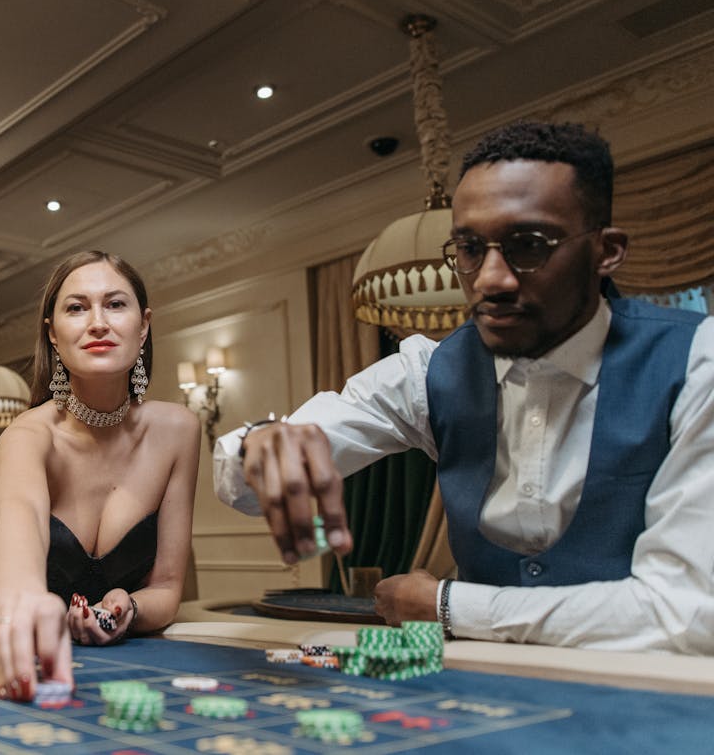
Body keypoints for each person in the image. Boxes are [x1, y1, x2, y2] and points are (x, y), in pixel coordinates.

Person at [213, 121, 714, 654]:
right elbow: (239, 485)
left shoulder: (696, 360)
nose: (491, 279)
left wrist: (449, 607)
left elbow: (686, 612)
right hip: (482, 694)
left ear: (606, 251)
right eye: (470, 249)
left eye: (529, 245)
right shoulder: (430, 371)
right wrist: (262, 443)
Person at [0, 251, 199, 699]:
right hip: (14, 662)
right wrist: (22, 595)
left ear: (144, 325)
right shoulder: (27, 435)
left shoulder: (180, 430)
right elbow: (19, 513)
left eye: (115, 304)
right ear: (53, 335)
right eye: (76, 308)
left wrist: (128, 606)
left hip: (129, 675)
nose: (97, 322)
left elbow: (168, 587)